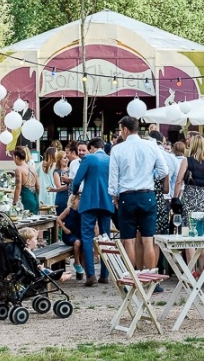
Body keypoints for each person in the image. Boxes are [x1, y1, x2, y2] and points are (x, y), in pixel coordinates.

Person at [109, 116, 169, 274]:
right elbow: (164, 170)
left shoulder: (117, 149)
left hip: (127, 196)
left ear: (125, 130)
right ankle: (150, 280)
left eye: (121, 130)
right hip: (147, 194)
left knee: (129, 241)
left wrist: (115, 196)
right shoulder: (151, 145)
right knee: (148, 239)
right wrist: (150, 176)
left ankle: (132, 281)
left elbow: (113, 178)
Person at [72, 137, 114, 287]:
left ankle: (90, 275)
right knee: (105, 238)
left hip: (89, 202)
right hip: (106, 201)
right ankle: (105, 274)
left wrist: (74, 192)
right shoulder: (110, 160)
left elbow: (77, 181)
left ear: (92, 148)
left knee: (87, 238)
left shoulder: (88, 159)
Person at [175, 136, 204, 229]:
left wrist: (175, 198)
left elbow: (179, 181)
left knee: (189, 224)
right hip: (203, 197)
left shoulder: (186, 160)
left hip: (189, 196)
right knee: (202, 225)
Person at [148, 130, 177, 236]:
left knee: (147, 235)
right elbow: (175, 180)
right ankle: (163, 253)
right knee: (163, 234)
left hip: (148, 196)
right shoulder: (171, 157)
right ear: (163, 141)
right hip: (166, 198)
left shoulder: (148, 156)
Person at [57, 193, 85, 275]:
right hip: (69, 234)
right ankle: (76, 262)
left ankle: (84, 267)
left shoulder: (81, 211)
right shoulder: (68, 210)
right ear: (73, 201)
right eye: (78, 199)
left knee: (83, 244)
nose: (80, 200)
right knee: (77, 242)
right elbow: (59, 219)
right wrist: (64, 229)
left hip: (78, 233)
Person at [12, 148, 40, 214]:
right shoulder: (33, 169)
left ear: (16, 157)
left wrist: (14, 202)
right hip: (35, 199)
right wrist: (37, 197)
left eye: (13, 158)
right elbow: (38, 186)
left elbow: (18, 188)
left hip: (26, 199)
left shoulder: (19, 169)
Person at [49, 152, 70, 216]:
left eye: (67, 158)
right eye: (64, 158)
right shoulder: (57, 172)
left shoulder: (71, 170)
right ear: (60, 160)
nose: (66, 160)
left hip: (71, 198)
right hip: (62, 198)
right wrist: (70, 185)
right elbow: (59, 187)